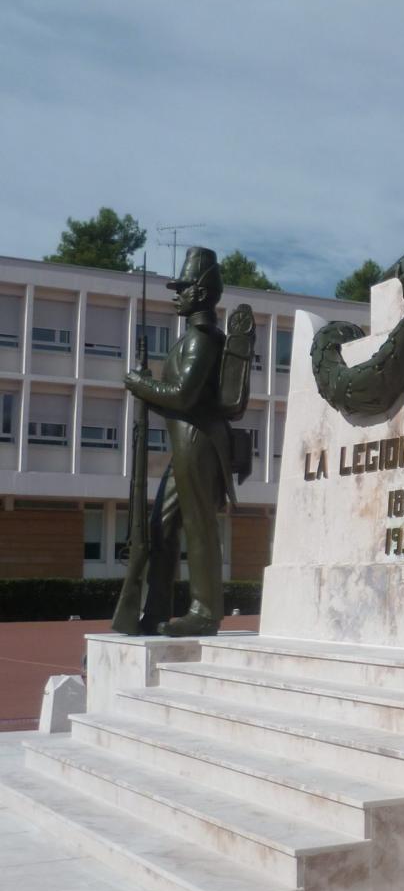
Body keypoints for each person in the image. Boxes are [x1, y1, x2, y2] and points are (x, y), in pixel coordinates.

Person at [124, 246, 236, 636]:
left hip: (198, 441)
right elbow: (178, 399)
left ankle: (205, 612)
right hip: (185, 440)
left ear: (202, 293)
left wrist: (141, 384)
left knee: (197, 525)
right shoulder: (190, 339)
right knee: (162, 526)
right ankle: (155, 611)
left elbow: (183, 396)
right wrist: (148, 392)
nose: (178, 294)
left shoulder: (202, 339)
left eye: (184, 287)